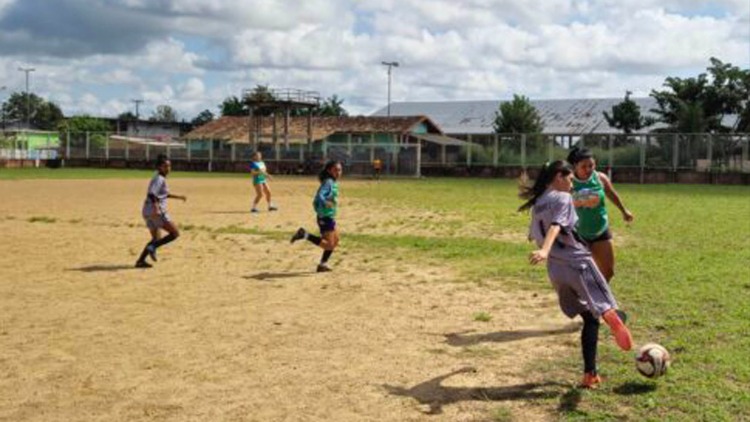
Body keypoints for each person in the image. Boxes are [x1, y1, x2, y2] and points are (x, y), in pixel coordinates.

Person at [519, 160, 633, 389]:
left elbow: (536, 232)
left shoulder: (538, 203)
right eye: (570, 180)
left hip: (556, 271)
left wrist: (545, 250)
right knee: (603, 306)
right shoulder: (562, 198)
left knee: (589, 318)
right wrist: (545, 249)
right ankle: (610, 313)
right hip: (577, 262)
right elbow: (556, 226)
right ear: (558, 177)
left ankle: (590, 374)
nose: (572, 186)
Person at [567, 147, 634, 282]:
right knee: (579, 274)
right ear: (575, 166)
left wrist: (623, 210)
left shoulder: (600, 178)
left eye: (591, 165)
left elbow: (611, 193)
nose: (588, 169)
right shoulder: (569, 181)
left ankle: (600, 299)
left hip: (600, 230)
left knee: (608, 272)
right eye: (583, 166)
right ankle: (582, 299)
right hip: (577, 234)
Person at [289, 160, 343, 272]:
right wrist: (326, 202)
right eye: (335, 170)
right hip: (325, 217)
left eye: (339, 170)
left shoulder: (332, 181)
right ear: (329, 170)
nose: (338, 172)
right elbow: (319, 196)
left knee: (336, 240)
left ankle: (322, 264)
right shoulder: (328, 182)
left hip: (329, 216)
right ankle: (304, 234)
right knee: (329, 245)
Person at [135, 154, 187, 268]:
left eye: (169, 166)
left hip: (146, 211)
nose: (168, 168)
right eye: (165, 166)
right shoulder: (160, 178)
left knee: (156, 239)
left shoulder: (157, 177)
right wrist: (156, 208)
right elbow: (152, 194)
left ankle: (140, 261)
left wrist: (178, 197)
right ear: (159, 167)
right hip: (155, 210)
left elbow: (163, 194)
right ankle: (152, 248)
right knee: (174, 233)